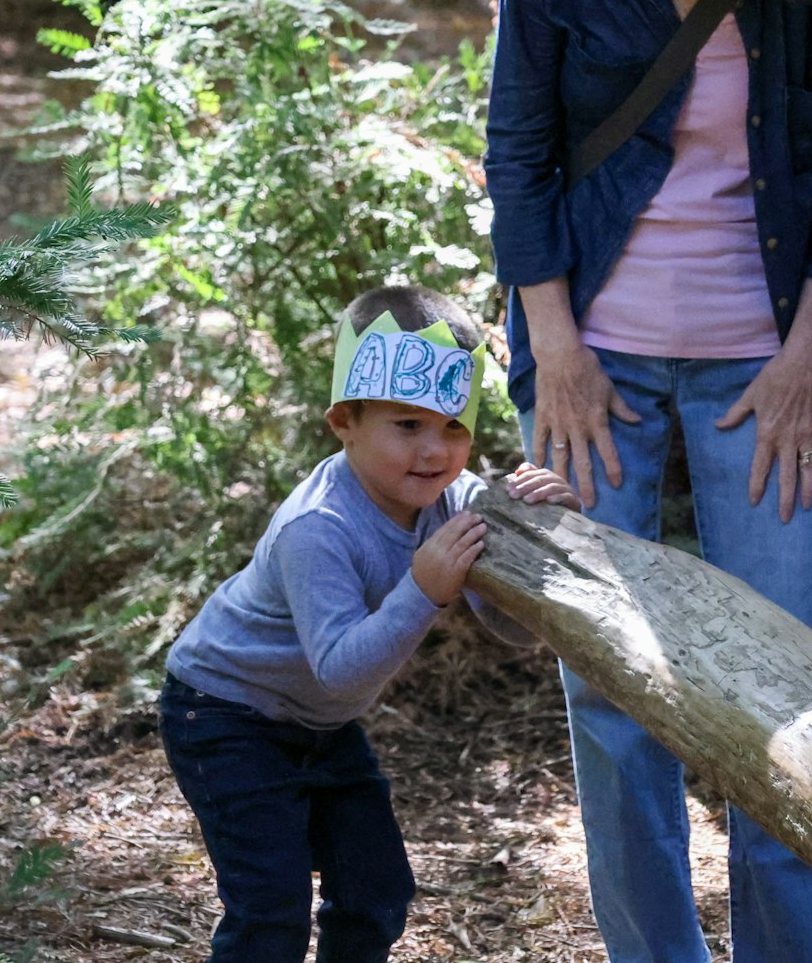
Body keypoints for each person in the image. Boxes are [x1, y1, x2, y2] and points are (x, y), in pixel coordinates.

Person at [484, 0, 812, 963]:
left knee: (789, 706)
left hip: (765, 371)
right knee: (609, 707)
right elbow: (518, 150)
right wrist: (549, 343)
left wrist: (806, 354)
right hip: (587, 366)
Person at [159, 283, 577, 963]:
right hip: (224, 714)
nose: (433, 451)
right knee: (270, 907)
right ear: (344, 421)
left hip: (320, 723)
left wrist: (550, 533)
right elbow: (341, 665)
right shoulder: (318, 528)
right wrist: (421, 590)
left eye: (452, 427)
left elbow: (513, 627)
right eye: (406, 425)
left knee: (376, 888)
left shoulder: (452, 499)